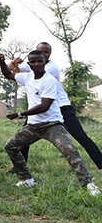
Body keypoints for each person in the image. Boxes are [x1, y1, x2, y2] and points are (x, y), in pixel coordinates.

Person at [0, 51, 99, 195]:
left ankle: (88, 185)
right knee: (11, 147)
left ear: (45, 62)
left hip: (52, 125)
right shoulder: (27, 77)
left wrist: (20, 114)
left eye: (40, 61)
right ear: (29, 64)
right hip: (33, 126)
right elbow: (8, 74)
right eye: (33, 62)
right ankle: (26, 179)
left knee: (69, 150)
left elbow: (45, 106)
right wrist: (2, 61)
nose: (37, 64)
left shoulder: (50, 80)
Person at [9, 42, 102, 170]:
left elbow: (21, 73)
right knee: (24, 136)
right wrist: (13, 63)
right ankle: (18, 168)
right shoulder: (36, 63)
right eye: (41, 51)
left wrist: (16, 68)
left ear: (50, 54)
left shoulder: (51, 68)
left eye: (46, 52)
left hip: (61, 107)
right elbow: (12, 70)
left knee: (80, 135)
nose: (43, 55)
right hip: (42, 108)